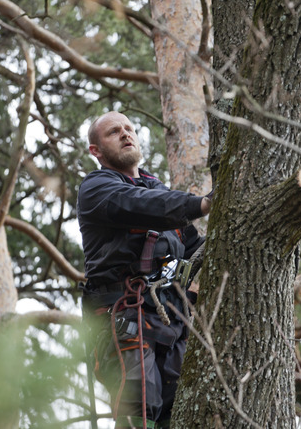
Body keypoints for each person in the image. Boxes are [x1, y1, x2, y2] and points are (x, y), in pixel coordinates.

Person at [77, 111, 211, 428]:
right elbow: (141, 205)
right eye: (114, 132)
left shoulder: (156, 189)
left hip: (171, 326)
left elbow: (194, 247)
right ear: (95, 150)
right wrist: (201, 204)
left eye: (129, 129)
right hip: (125, 320)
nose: (126, 134)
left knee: (181, 416)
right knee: (140, 412)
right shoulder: (97, 189)